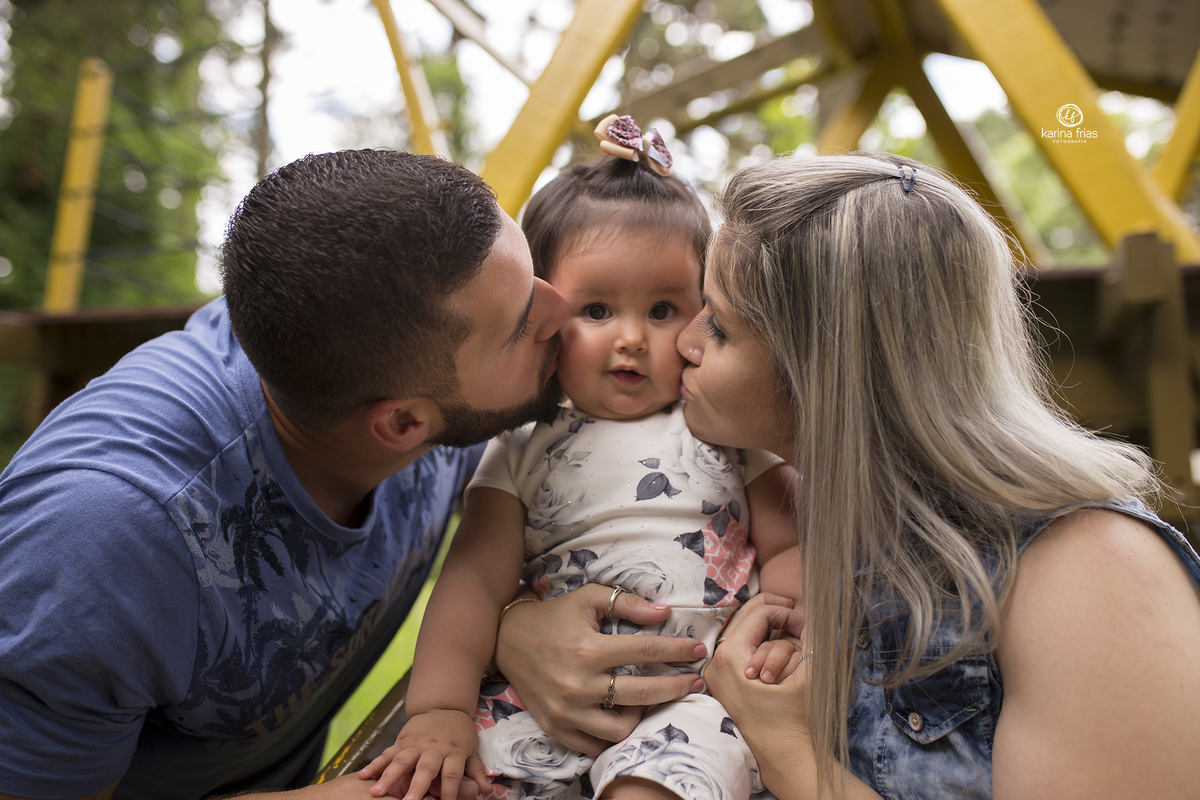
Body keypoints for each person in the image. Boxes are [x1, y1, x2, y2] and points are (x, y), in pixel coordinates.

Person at [0, 149, 707, 800]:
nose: (566, 311)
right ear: (403, 426)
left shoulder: (377, 321)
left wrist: (510, 624)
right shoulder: (102, 542)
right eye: (525, 321)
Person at [675, 153, 1200, 798]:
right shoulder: (783, 519)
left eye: (719, 326)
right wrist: (524, 623)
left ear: (827, 372)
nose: (684, 342)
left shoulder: (1092, 572)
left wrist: (784, 746)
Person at [358, 151, 800, 800]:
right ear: (544, 319)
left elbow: (790, 544)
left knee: (648, 790)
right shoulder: (520, 446)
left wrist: (786, 632)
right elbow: (475, 582)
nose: (630, 338)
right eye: (597, 310)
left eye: (661, 310)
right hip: (540, 696)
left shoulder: (725, 428)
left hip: (700, 696)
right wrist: (439, 713)